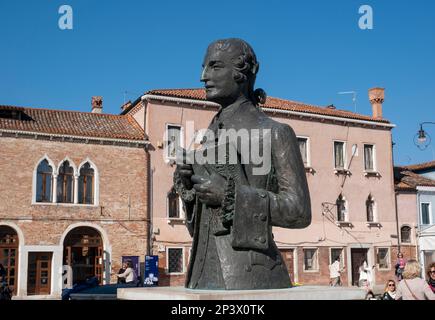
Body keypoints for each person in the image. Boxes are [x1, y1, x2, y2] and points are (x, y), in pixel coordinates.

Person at [174, 38, 311, 290]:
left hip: (251, 276)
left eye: (215, 67)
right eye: (205, 67)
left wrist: (229, 196)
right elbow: (200, 228)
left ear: (241, 74)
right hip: (201, 276)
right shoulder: (209, 137)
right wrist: (190, 188)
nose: (203, 76)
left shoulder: (275, 132)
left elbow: (299, 212)